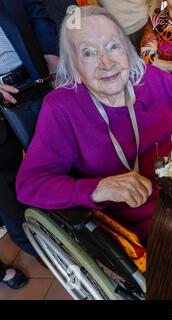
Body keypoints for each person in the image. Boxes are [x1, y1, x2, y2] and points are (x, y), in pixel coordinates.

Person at [15, 6, 172, 244]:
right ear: (74, 66)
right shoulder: (62, 108)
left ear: (126, 49)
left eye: (113, 46)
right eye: (88, 53)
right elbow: (30, 184)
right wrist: (97, 188)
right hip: (160, 219)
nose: (107, 63)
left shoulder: (147, 75)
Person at [0, 0, 59, 256]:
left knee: (56, 155)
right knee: (5, 182)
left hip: (32, 77)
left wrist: (51, 54)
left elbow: (35, 8)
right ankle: (39, 250)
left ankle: (83, 228)